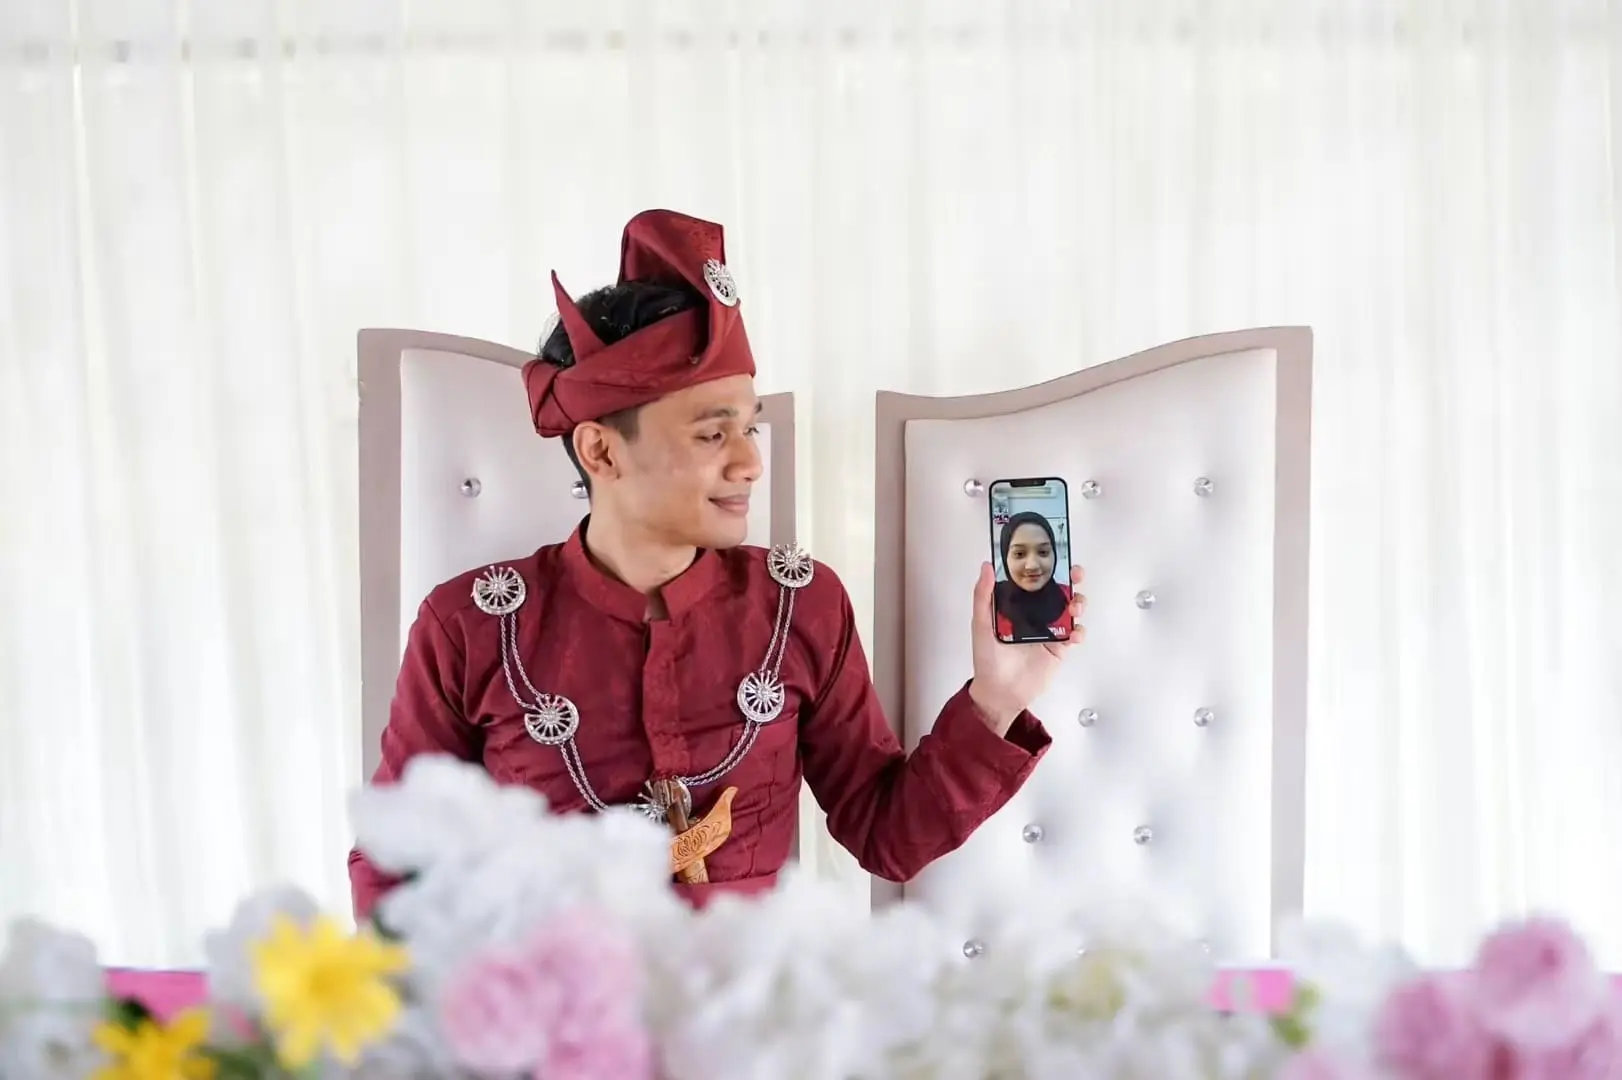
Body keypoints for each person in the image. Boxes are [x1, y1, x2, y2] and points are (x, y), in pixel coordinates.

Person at [347, 209, 1088, 918]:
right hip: (557, 1028)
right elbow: (397, 864)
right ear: (601, 450)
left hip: (750, 1022)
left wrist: (998, 700)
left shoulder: (802, 604)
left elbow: (887, 836)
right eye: (712, 435)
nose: (749, 464)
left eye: (750, 428)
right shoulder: (470, 626)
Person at [993, 512, 1074, 642]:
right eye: (1019, 554)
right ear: (1005, 557)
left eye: (1043, 552)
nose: (1032, 565)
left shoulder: (1071, 599)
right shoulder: (991, 603)